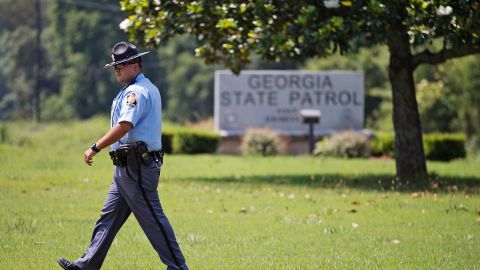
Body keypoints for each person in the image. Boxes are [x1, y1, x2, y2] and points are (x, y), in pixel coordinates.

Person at [57, 41, 188, 270]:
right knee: (107, 219)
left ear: (136, 65)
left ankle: (178, 267)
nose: (117, 69)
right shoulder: (133, 89)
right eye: (115, 66)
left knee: (153, 221)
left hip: (137, 166)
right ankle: (86, 266)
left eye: (122, 65)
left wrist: (95, 146)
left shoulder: (136, 92)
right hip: (125, 168)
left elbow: (125, 125)